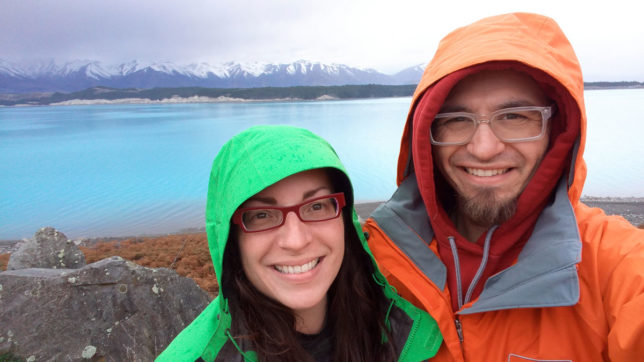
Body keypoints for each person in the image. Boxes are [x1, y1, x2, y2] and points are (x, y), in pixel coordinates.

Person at [363, 12, 644, 361]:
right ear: (427, 137)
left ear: (556, 132)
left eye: (514, 117)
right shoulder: (371, 262)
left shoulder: (614, 266)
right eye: (455, 120)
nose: (483, 148)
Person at [157, 125, 442, 361]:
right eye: (261, 215)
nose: (296, 240)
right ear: (233, 241)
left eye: (316, 207)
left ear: (344, 219)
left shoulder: (397, 325)